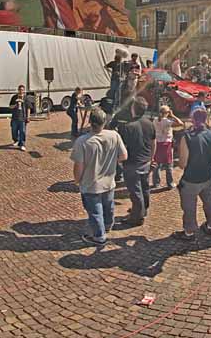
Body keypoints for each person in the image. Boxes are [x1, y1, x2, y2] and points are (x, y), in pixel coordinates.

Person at [71, 108, 128, 246]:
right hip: (109, 181)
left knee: (95, 212)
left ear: (90, 122)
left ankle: (99, 236)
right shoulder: (114, 135)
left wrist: (77, 180)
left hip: (90, 184)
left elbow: (78, 166)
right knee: (108, 206)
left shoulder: (82, 141)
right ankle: (107, 226)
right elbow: (123, 156)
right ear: (105, 122)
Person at [173, 108, 211, 240]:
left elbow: (182, 163)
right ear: (206, 119)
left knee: (189, 206)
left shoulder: (186, 137)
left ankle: (189, 231)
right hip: (207, 176)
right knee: (209, 201)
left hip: (191, 179)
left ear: (192, 120)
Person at [116, 97, 156, 226]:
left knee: (135, 191)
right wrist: (151, 157)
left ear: (133, 109)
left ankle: (137, 217)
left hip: (132, 163)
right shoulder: (150, 123)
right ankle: (142, 210)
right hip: (146, 160)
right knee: (145, 188)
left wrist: (120, 161)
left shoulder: (127, 126)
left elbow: (123, 147)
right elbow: (153, 142)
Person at [152, 105, 182, 189]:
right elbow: (180, 123)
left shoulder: (155, 120)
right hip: (166, 144)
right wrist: (173, 115)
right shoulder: (167, 122)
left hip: (157, 143)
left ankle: (156, 183)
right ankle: (170, 183)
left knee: (157, 164)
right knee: (169, 165)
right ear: (167, 113)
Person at [9, 85, 34, 151]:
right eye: (20, 89)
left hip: (22, 118)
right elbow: (10, 107)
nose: (21, 91)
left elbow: (29, 108)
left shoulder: (26, 98)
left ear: (24, 91)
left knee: (22, 131)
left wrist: (28, 117)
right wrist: (15, 104)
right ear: (18, 90)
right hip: (14, 118)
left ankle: (22, 144)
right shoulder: (14, 97)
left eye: (22, 90)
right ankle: (16, 140)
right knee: (14, 131)